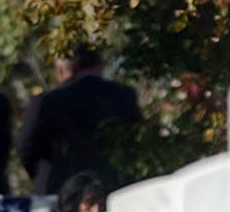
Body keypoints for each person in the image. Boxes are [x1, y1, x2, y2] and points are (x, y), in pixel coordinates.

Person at [16, 43, 141, 193]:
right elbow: (136, 144)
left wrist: (45, 174)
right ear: (100, 65)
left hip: (59, 191)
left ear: (63, 70)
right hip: (112, 190)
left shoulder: (46, 102)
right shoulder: (124, 96)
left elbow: (25, 146)